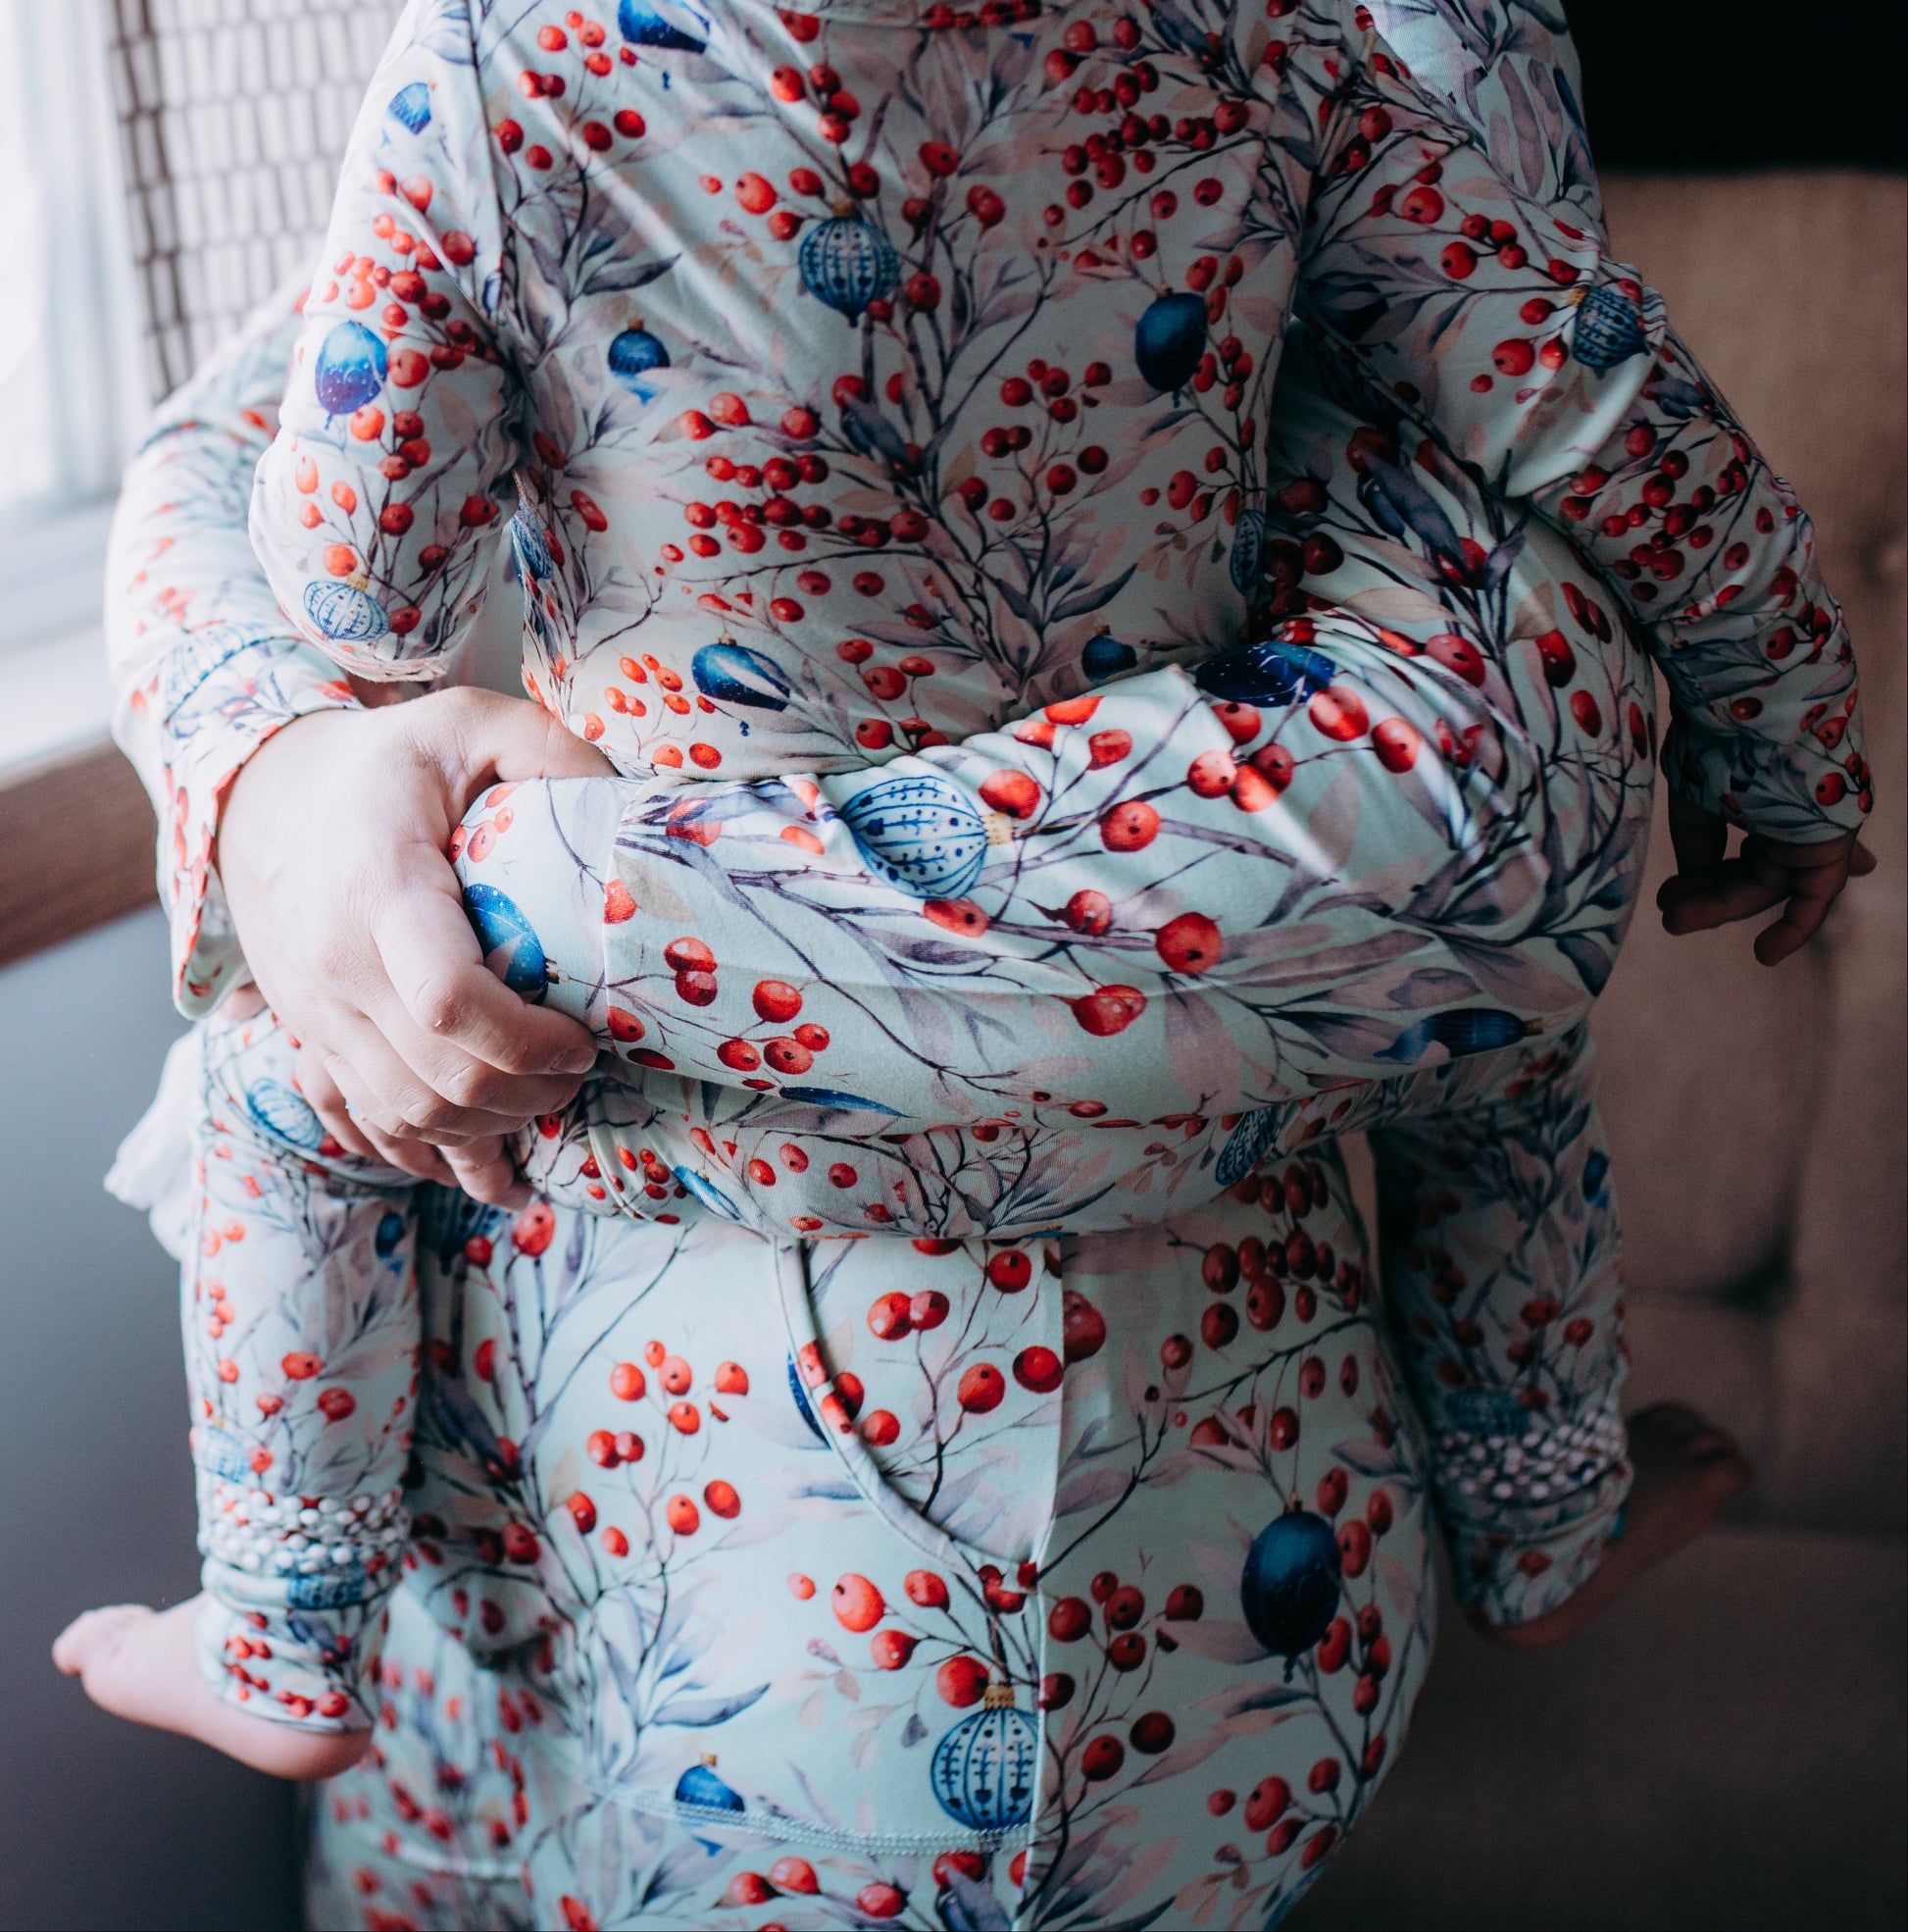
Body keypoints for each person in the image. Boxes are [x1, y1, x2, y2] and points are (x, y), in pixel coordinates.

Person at [59, 0, 1871, 1923]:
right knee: (1490, 1066)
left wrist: (440, 775)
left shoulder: (508, 72)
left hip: (683, 1297)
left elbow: (357, 575)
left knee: (287, 1081)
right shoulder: (1256, 43)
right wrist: (1791, 727)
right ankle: (1542, 1515)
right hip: (1228, 1520)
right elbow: (1599, 396)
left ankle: (279, 1625)